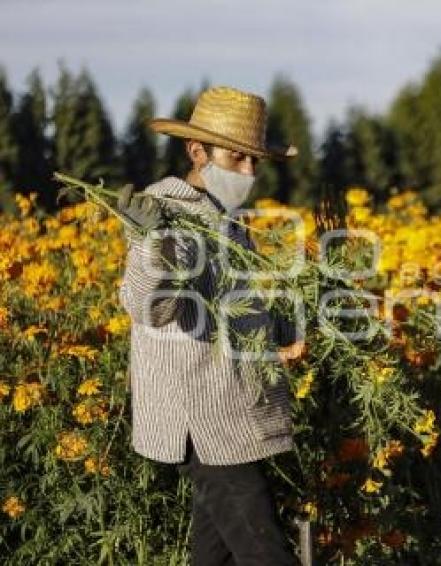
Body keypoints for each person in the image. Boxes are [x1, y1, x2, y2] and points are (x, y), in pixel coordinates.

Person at [116, 85, 304, 565]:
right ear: (197, 152)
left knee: (214, 552)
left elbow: (235, 304)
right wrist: (151, 241)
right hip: (200, 411)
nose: (249, 173)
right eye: (238, 159)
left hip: (234, 404)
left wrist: (285, 327)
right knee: (264, 552)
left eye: (255, 162)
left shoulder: (226, 215)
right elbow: (149, 308)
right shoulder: (166, 213)